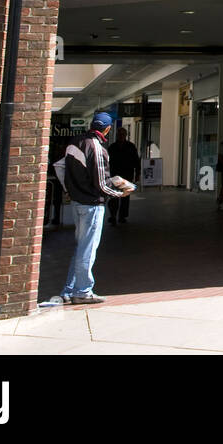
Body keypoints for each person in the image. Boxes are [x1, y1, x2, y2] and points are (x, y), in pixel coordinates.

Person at [60, 112, 130, 304]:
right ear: (107, 129)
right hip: (91, 204)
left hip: (76, 202)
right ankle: (83, 291)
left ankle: (70, 288)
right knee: (88, 249)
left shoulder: (75, 143)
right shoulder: (97, 148)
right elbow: (101, 183)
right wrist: (120, 193)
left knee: (81, 247)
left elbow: (62, 168)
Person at [106, 127, 140, 226]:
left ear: (125, 135)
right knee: (114, 196)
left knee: (125, 197)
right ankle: (113, 215)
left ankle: (122, 216)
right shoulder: (112, 147)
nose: (121, 136)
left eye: (122, 134)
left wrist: (137, 173)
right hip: (115, 175)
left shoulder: (131, 146)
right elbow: (107, 162)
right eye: (119, 134)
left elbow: (136, 161)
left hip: (127, 175)